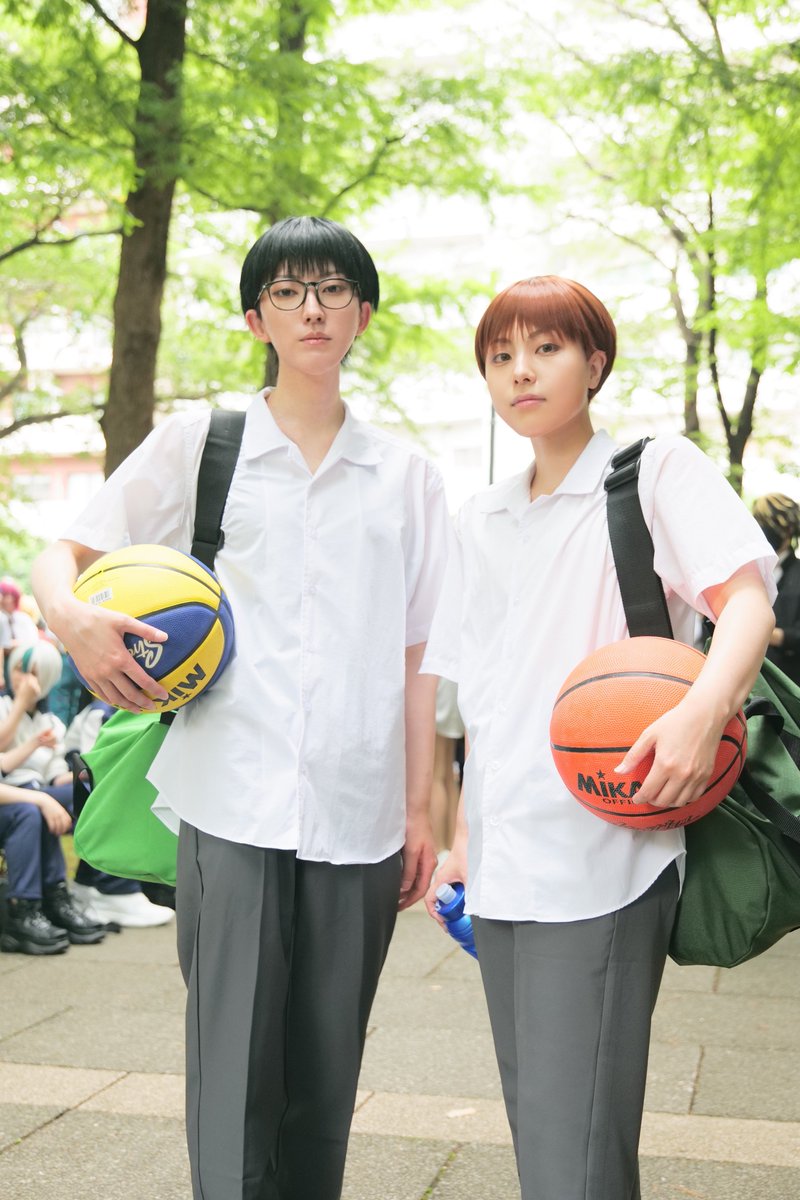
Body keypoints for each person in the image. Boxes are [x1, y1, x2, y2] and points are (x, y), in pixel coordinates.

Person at [31, 215, 451, 1200]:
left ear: (362, 313)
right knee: (231, 1065)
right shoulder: (202, 444)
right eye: (288, 292)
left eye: (333, 290)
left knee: (327, 1068)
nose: (312, 309)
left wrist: (422, 808)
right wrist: (73, 621)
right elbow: (66, 554)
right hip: (229, 799)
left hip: (358, 809)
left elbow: (421, 654)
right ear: (256, 317)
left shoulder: (406, 478)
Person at [422, 275, 777, 1200]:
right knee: (543, 1123)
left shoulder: (653, 472)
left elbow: (746, 601)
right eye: (501, 356)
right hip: (504, 858)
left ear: (595, 364)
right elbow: (485, 698)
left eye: (546, 348)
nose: (521, 371)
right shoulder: (481, 517)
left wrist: (703, 709)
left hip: (609, 846)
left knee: (576, 1142)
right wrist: (462, 839)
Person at [0, 640, 106, 953]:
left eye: (35, 673)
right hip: (17, 795)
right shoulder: (6, 708)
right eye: (20, 670)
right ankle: (27, 907)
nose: (25, 680)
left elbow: (54, 771)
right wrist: (22, 707)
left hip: (34, 790)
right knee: (31, 811)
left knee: (90, 792)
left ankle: (85, 887)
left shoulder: (50, 722)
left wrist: (83, 778)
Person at [63, 698, 176, 926]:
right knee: (118, 792)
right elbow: (95, 762)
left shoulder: (110, 710)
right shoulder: (100, 712)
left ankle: (89, 884)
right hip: (61, 782)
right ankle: (115, 888)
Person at [751, 493, 800, 685]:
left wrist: (768, 634)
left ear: (788, 529)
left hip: (788, 682)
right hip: (753, 681)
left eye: (768, 524)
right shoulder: (749, 573)